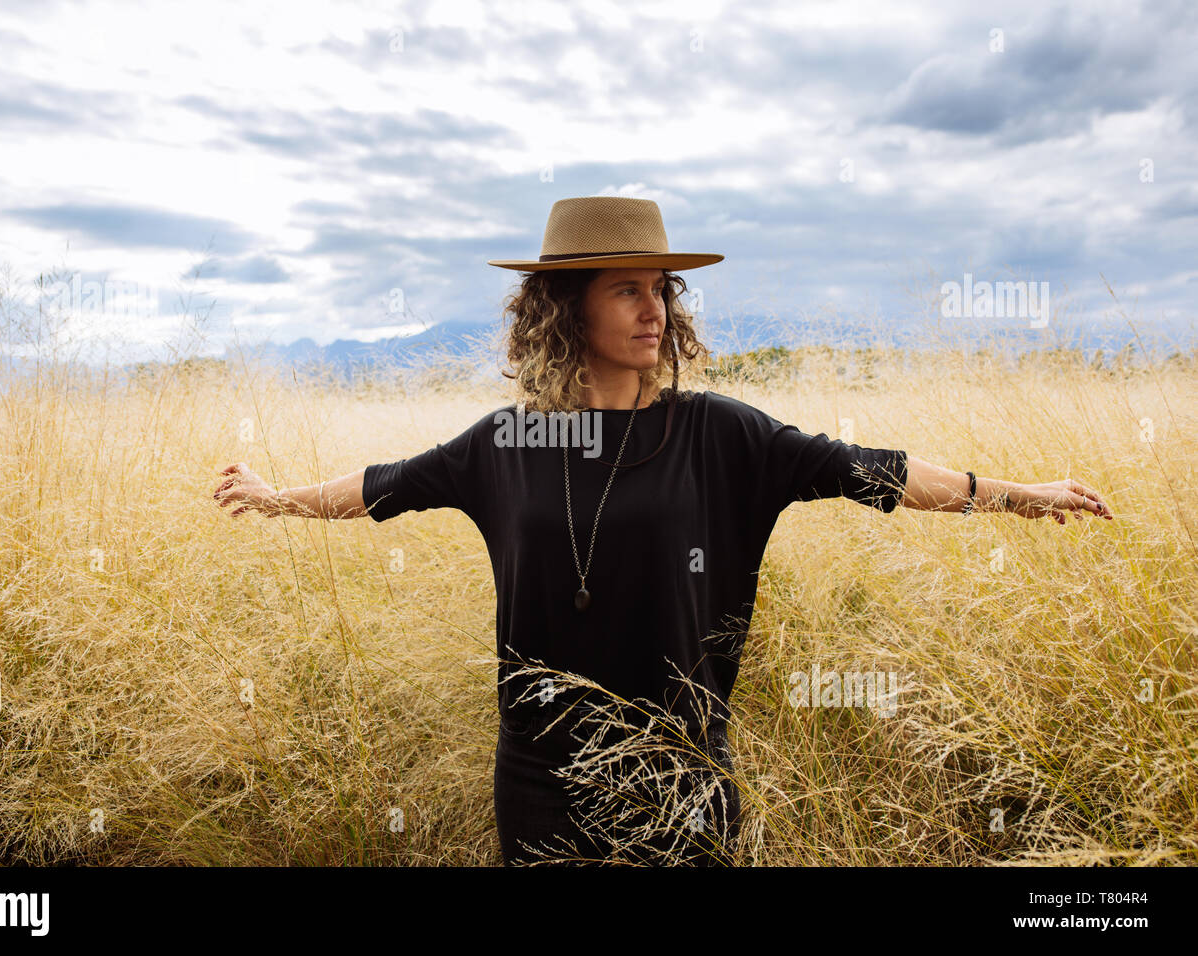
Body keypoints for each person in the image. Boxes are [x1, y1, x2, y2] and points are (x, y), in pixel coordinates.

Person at [212, 196, 1114, 866]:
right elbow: (382, 488)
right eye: (627, 291)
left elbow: (868, 469)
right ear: (568, 307)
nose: (656, 311)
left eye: (661, 291)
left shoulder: (720, 432)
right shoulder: (510, 438)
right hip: (540, 773)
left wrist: (1014, 495)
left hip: (680, 763)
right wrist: (272, 494)